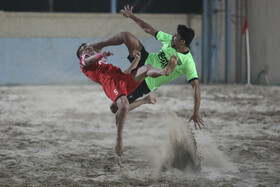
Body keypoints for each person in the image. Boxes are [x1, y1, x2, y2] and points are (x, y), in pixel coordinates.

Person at [89, 5, 204, 130]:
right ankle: (97, 46)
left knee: (114, 108)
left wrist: (196, 112)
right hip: (143, 59)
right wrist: (131, 15)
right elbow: (148, 29)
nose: (173, 36)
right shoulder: (170, 40)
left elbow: (196, 87)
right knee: (126, 36)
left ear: (182, 42)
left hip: (146, 81)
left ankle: (146, 100)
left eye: (176, 35)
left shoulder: (188, 62)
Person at [76, 43, 177, 156]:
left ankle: (165, 71)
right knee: (123, 106)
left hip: (121, 78)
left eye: (89, 46)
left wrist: (136, 60)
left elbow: (126, 73)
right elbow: (88, 60)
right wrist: (101, 54)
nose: (89, 48)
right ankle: (119, 140)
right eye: (85, 48)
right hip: (110, 82)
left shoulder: (101, 63)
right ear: (82, 53)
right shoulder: (83, 61)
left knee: (146, 68)